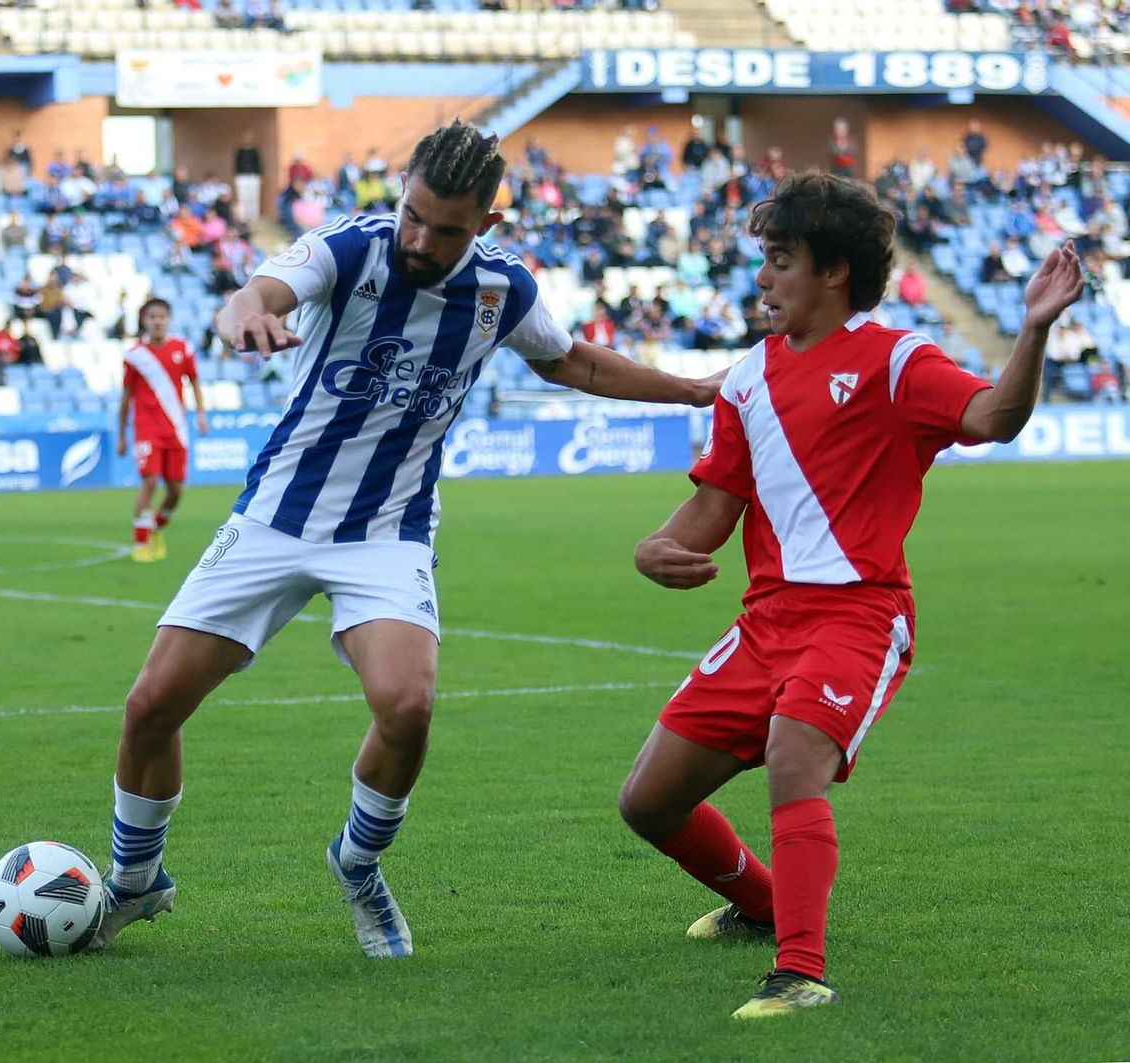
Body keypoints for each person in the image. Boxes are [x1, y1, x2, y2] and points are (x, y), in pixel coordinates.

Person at [87, 121, 721, 958]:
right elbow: (258, 293)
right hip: (275, 514)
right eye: (412, 215)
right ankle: (136, 879)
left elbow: (574, 362)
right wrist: (245, 316)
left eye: (446, 229)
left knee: (408, 705)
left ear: (486, 225)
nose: (420, 240)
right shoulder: (350, 248)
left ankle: (358, 864)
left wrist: (693, 391)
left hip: (388, 532)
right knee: (150, 705)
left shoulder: (503, 289)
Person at [617, 172, 1083, 1019]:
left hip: (860, 614)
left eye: (780, 260)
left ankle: (800, 972)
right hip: (765, 623)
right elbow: (714, 509)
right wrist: (659, 547)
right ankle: (763, 904)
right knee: (647, 802)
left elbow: (993, 419)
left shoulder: (898, 361)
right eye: (765, 260)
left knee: (795, 755)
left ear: (833, 272)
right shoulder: (747, 379)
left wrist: (1033, 329)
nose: (763, 278)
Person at [116, 298, 207, 564]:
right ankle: (141, 542)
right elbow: (126, 397)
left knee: (176, 490)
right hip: (147, 428)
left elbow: (195, 382)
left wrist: (201, 414)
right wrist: (121, 435)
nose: (157, 321)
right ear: (144, 321)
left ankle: (156, 528)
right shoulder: (135, 355)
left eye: (161, 316)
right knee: (150, 481)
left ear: (169, 319)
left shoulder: (183, 349)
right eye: (152, 316)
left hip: (176, 428)